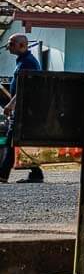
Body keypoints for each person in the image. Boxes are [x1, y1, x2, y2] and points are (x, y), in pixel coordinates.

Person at [1, 33, 43, 183]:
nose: (8, 46)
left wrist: (11, 104)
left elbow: (26, 88)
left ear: (22, 45)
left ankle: (3, 175)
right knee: (18, 142)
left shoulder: (29, 62)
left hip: (25, 110)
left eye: (11, 43)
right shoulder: (23, 61)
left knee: (11, 141)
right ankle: (36, 173)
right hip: (22, 109)